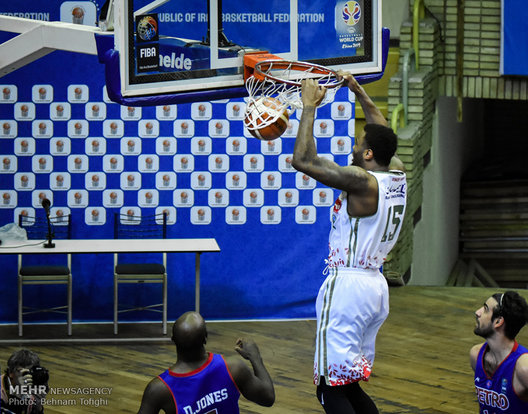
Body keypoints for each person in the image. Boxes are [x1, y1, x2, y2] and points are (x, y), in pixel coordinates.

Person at [292, 73, 407, 414]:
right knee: (349, 383)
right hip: (375, 288)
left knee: (328, 387)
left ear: (368, 154)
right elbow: (383, 132)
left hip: (348, 288)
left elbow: (303, 160)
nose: (353, 148)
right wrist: (359, 92)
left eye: (358, 144)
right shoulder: (395, 172)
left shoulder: (362, 181)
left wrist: (309, 106)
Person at [137, 311, 275, 414]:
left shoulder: (159, 389)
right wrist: (255, 357)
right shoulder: (233, 368)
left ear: (173, 341)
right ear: (206, 338)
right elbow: (267, 398)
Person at [1, 349, 49, 414]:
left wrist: (38, 407)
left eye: (31, 372)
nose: (28, 376)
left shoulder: (30, 390)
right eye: (25, 372)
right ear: (11, 373)